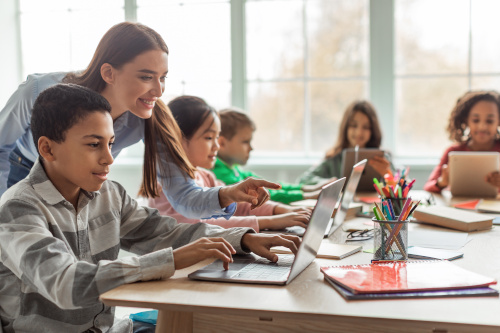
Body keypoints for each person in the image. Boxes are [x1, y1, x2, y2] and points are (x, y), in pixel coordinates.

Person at [0, 84, 301, 333]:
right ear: (47, 148)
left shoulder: (110, 194)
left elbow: (165, 231)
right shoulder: (17, 209)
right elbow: (66, 283)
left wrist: (241, 238)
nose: (109, 158)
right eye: (94, 145)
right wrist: (171, 259)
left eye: (111, 143)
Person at [0, 21, 277, 219]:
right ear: (109, 73)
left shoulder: (149, 117)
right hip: (21, 170)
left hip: (79, 181)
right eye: (146, 77)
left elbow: (182, 195)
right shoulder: (38, 90)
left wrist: (229, 193)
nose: (158, 91)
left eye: (163, 77)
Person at [147, 96, 311, 232]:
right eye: (209, 138)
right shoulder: (166, 186)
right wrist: (272, 221)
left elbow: (240, 206)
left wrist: (284, 211)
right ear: (178, 139)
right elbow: (200, 227)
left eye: (217, 138)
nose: (217, 146)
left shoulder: (206, 176)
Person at [211, 108, 331, 205]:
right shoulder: (217, 172)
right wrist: (309, 195)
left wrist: (308, 188)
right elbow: (264, 195)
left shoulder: (234, 169)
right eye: (245, 142)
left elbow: (269, 185)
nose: (251, 148)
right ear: (222, 143)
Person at [298, 100, 391, 185]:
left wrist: (389, 175)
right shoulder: (333, 158)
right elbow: (303, 180)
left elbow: (402, 186)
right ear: (345, 127)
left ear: (373, 130)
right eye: (354, 125)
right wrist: (330, 183)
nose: (359, 132)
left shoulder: (382, 158)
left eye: (366, 127)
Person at [424, 90, 500, 193]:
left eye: (489, 121)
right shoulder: (453, 152)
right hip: (458, 207)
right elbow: (428, 187)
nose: (482, 126)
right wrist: (443, 182)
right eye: (475, 120)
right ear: (466, 120)